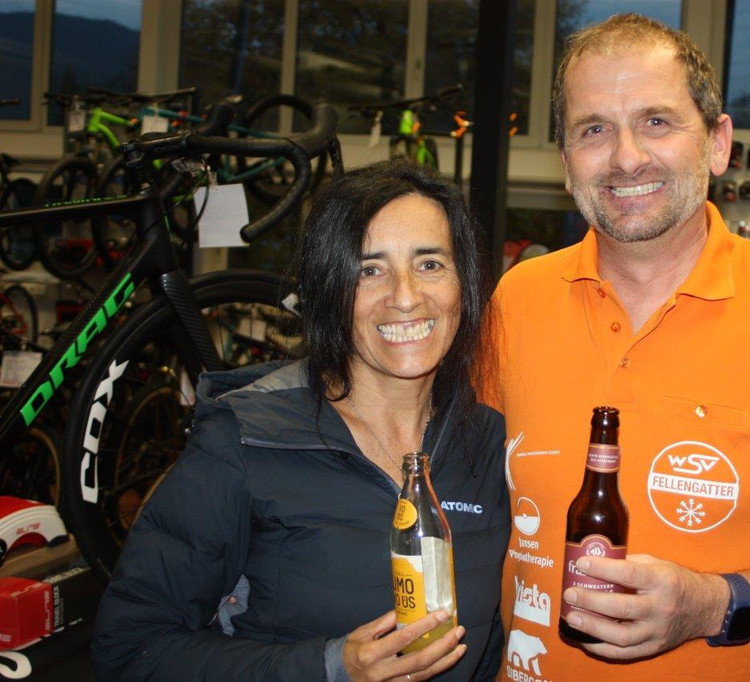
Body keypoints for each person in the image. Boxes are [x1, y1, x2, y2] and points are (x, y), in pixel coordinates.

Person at [486, 13, 750, 681]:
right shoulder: (517, 300)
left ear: (718, 144)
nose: (627, 156)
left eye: (657, 121)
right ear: (566, 164)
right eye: (593, 130)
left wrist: (715, 605)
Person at [92, 159, 510, 681]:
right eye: (369, 270)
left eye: (429, 264)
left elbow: (489, 647)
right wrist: (331, 667)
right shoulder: (246, 441)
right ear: (329, 290)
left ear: (463, 285)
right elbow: (130, 649)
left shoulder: (488, 443)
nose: (405, 296)